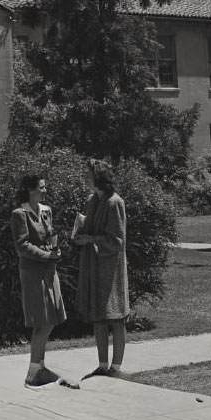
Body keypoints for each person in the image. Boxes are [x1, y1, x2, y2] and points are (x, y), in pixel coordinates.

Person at [10, 174, 75, 389]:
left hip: (49, 271)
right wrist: (45, 255)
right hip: (33, 273)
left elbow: (49, 236)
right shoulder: (20, 214)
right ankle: (33, 371)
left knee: (51, 317)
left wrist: (55, 249)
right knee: (41, 320)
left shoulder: (46, 211)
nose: (45, 191)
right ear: (30, 190)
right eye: (41, 188)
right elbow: (23, 245)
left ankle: (41, 367)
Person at [73, 159, 130, 378]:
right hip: (94, 266)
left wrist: (91, 239)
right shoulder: (92, 200)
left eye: (88, 173)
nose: (85, 177)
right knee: (98, 316)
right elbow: (92, 228)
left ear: (98, 176)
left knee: (115, 317)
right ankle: (102, 365)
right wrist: (81, 230)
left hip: (110, 268)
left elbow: (117, 240)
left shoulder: (114, 202)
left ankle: (116, 367)